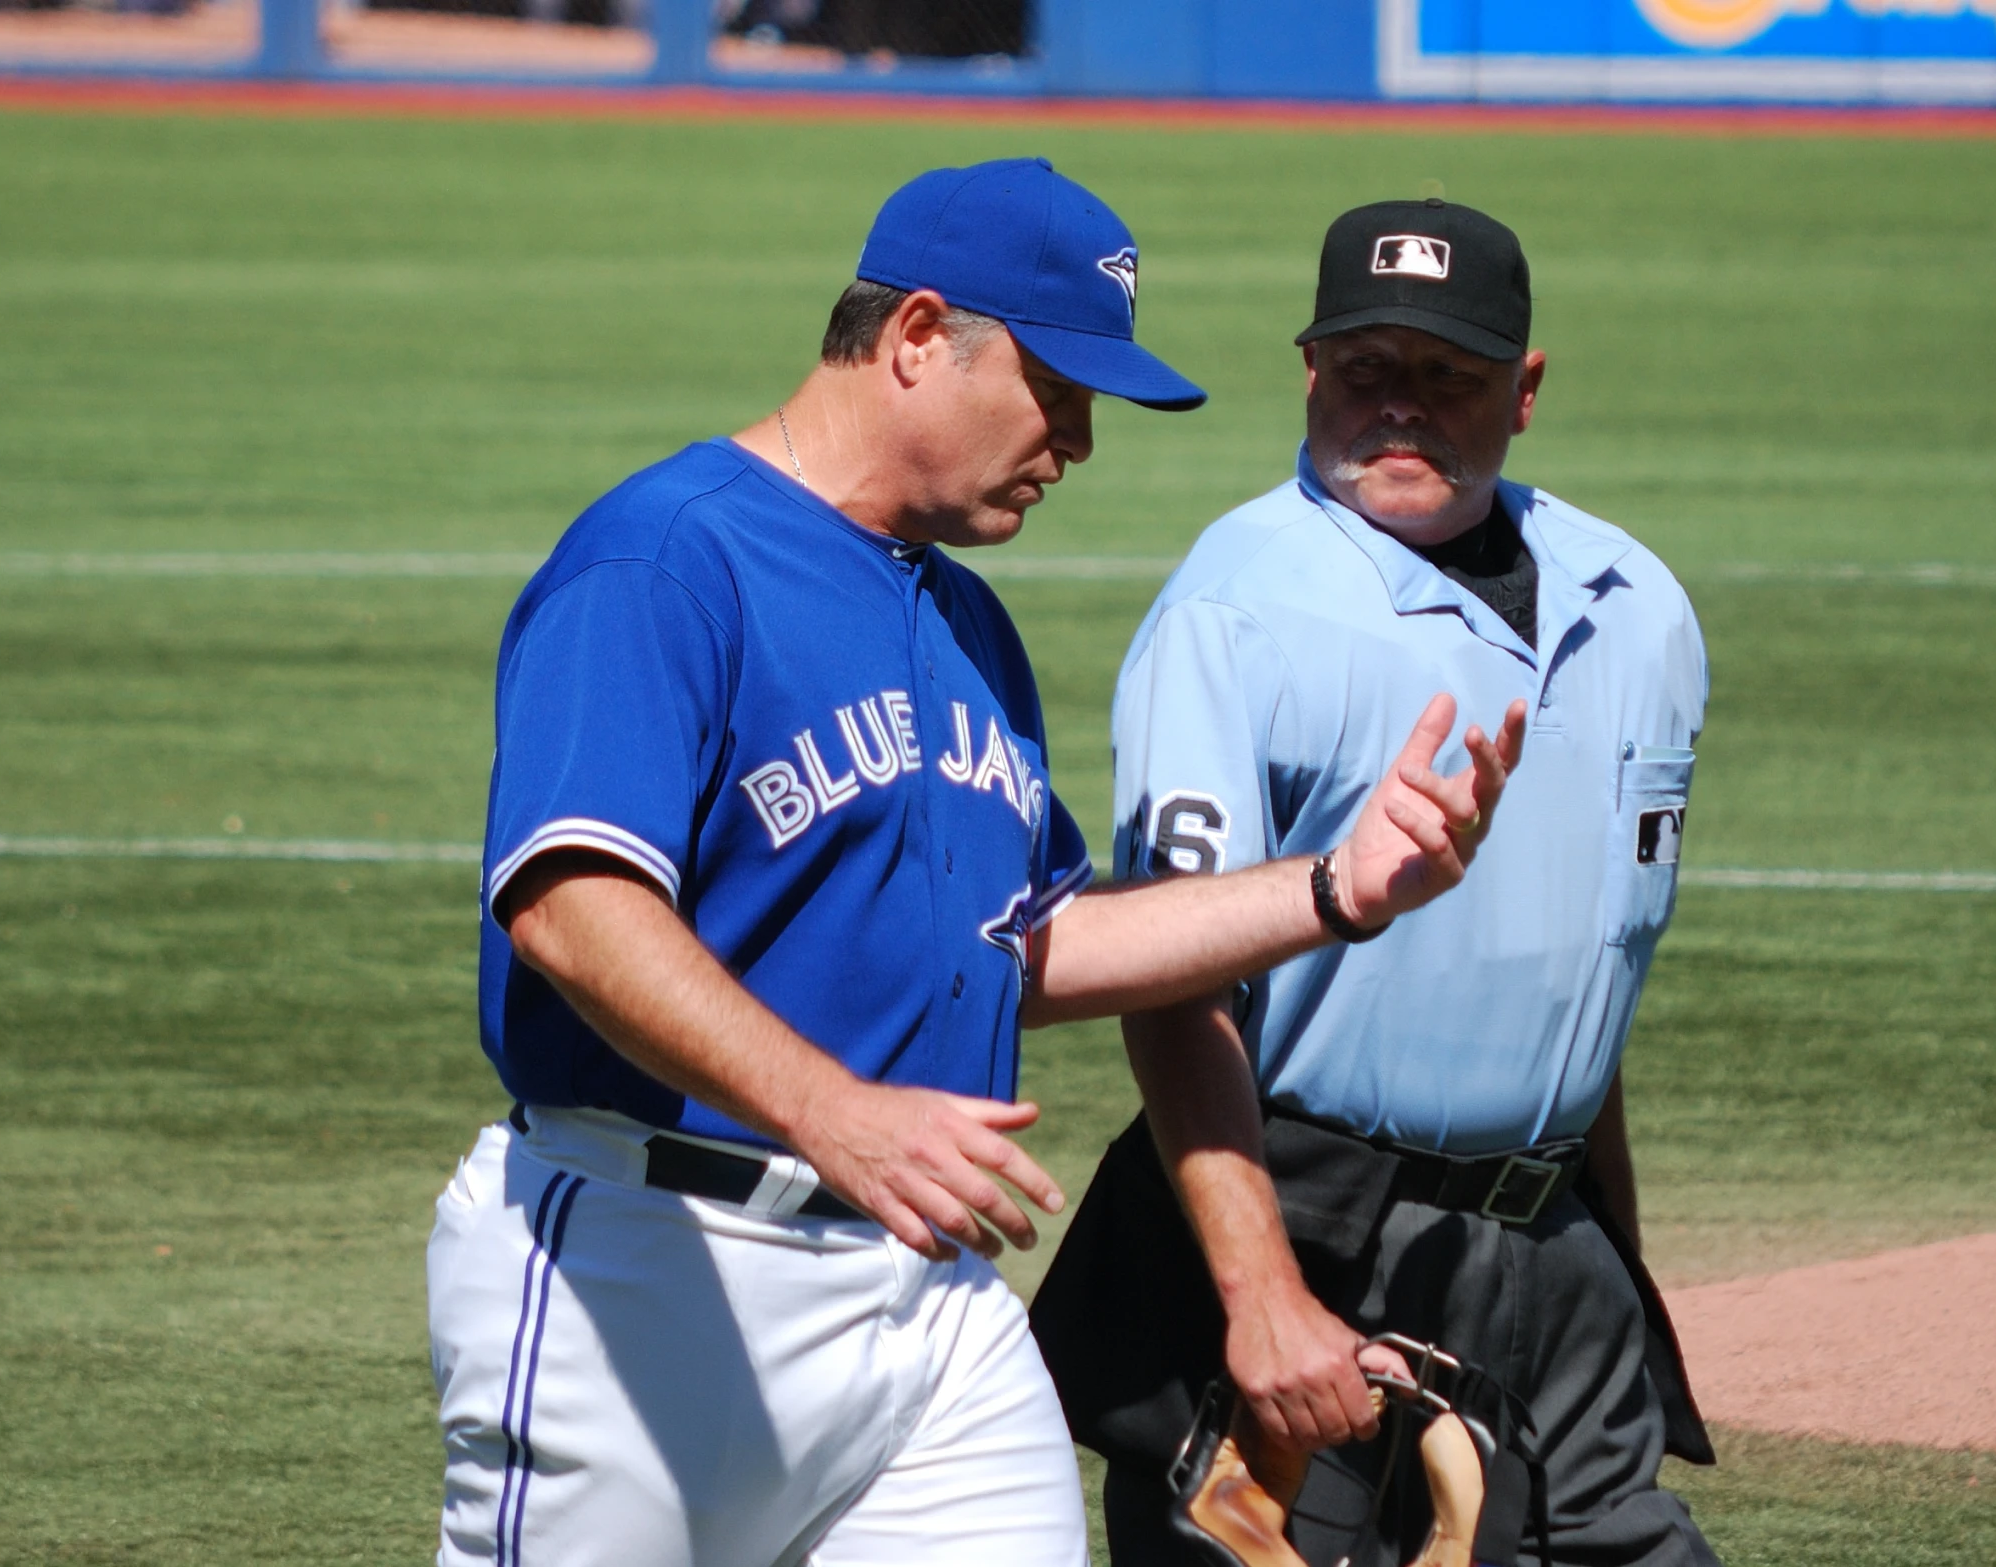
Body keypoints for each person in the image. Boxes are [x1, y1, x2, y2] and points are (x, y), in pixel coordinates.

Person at [425, 160, 1526, 1567]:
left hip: (923, 1299)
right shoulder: (663, 560)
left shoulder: (965, 625)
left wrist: (1329, 889)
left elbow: (1031, 943)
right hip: (649, 1271)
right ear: (915, 336)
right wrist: (836, 1110)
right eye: (1055, 389)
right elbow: (570, 908)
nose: (1076, 440)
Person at [1030, 197, 1720, 1566]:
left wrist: (1617, 1264)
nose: (1396, 410)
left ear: (1521, 391)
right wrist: (1260, 1294)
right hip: (1310, 1235)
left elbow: (1585, 975)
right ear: (1308, 369)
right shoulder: (1239, 609)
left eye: (1444, 378)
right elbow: (1172, 983)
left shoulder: (1632, 606)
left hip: (1552, 1254)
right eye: (1363, 371)